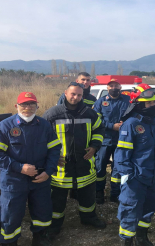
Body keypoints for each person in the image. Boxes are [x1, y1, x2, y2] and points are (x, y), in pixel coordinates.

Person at [0, 92, 61, 246]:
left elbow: (54, 150)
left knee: (43, 210)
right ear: (16, 106)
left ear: (37, 106)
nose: (28, 108)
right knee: (10, 214)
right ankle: (9, 241)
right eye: (24, 104)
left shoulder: (45, 125)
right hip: (13, 180)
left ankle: (41, 237)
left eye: (32, 104)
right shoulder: (5, 126)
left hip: (40, 178)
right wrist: (19, 168)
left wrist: (48, 171)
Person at [43, 82, 106, 240]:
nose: (75, 97)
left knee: (87, 197)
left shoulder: (90, 114)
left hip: (84, 165)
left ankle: (89, 218)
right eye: (73, 94)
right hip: (61, 169)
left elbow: (99, 130)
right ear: (65, 93)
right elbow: (42, 138)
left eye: (79, 95)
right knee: (57, 201)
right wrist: (52, 156)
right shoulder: (52, 114)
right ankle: (54, 226)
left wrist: (94, 146)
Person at [114, 83, 155, 246]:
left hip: (153, 176)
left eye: (154, 103)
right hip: (136, 179)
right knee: (130, 210)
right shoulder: (131, 124)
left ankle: (142, 238)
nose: (152, 106)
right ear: (139, 104)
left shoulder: (152, 125)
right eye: (149, 103)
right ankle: (127, 241)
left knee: (149, 209)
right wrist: (129, 176)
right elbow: (122, 155)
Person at [93, 79, 130, 204]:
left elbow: (133, 115)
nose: (114, 87)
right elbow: (96, 120)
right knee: (100, 168)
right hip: (104, 140)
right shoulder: (100, 102)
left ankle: (115, 194)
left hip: (122, 140)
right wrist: (111, 126)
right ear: (107, 87)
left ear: (120, 86)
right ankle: (99, 193)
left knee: (118, 168)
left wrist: (126, 124)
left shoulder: (127, 100)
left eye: (116, 85)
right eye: (111, 86)